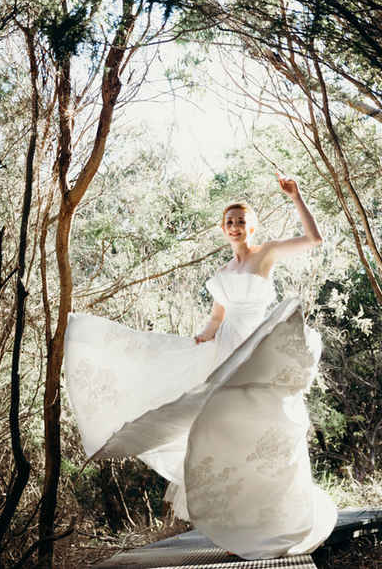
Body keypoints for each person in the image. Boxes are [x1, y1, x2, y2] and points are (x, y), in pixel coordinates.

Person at [64, 176, 338, 558]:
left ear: (251, 226)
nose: (235, 226)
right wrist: (191, 342)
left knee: (268, 425)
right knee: (225, 432)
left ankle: (280, 518)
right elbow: (215, 320)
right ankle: (242, 525)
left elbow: (314, 239)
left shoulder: (266, 254)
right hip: (225, 350)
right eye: (229, 221)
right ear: (223, 229)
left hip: (256, 347)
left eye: (241, 220)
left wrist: (297, 196)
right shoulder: (223, 275)